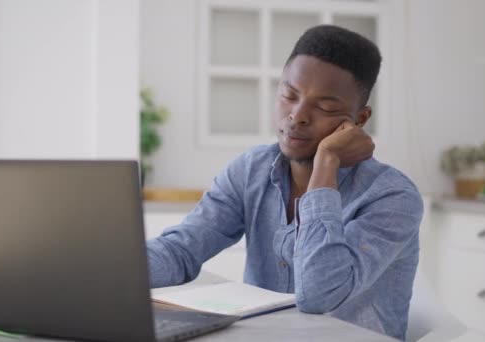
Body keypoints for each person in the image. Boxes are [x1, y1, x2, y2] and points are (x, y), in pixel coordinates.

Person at [146, 25, 423, 340]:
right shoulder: (250, 171)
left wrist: (326, 163)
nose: (297, 115)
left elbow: (320, 295)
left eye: (326, 108)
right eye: (289, 95)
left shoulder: (392, 197)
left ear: (358, 120)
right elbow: (181, 251)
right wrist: (108, 272)